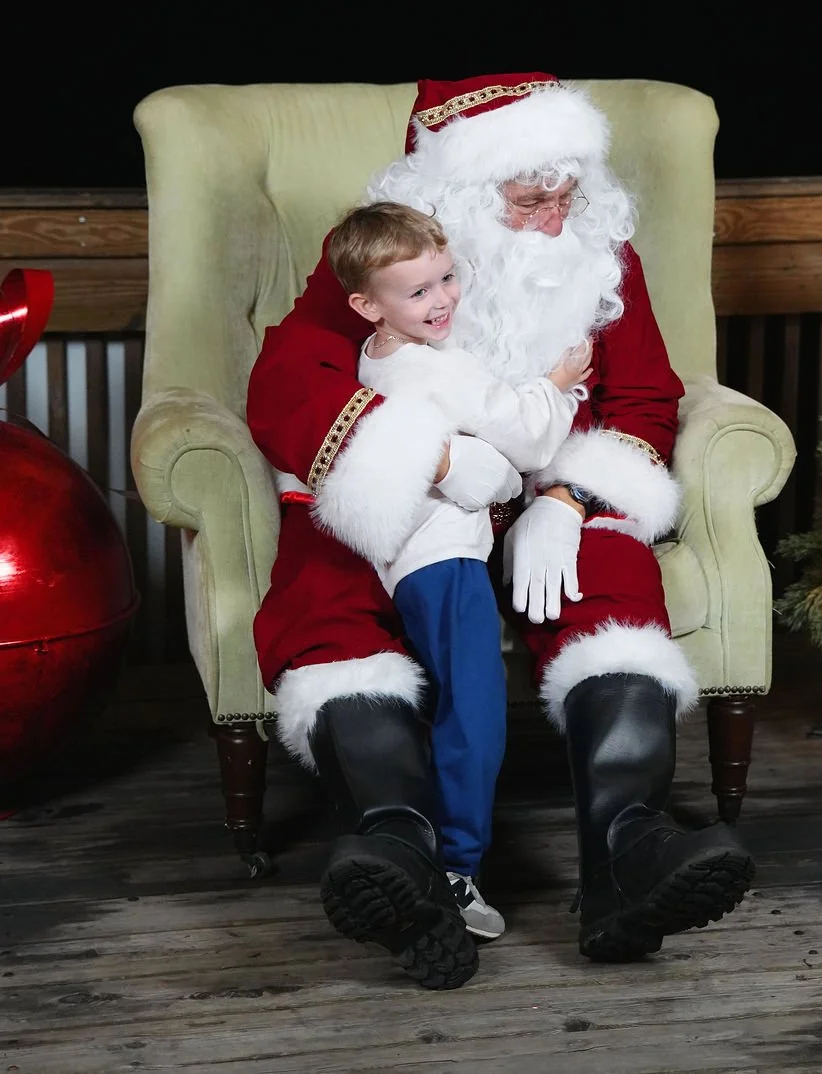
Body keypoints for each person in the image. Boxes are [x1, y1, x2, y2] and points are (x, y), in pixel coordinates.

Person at [247, 72, 755, 992]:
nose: (555, 217)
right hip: (429, 489)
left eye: (566, 193)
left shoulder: (602, 255)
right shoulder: (384, 254)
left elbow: (643, 394)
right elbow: (289, 375)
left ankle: (626, 853)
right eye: (528, 200)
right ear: (460, 198)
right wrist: (429, 461)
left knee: (610, 580)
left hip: (545, 482)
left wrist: (568, 502)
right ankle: (399, 847)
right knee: (332, 584)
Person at [325, 199, 592, 941]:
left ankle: (423, 852)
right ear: (363, 303)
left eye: (446, 278)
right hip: (440, 555)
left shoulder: (376, 352)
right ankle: (455, 867)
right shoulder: (438, 371)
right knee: (474, 706)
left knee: (451, 698)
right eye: (417, 292)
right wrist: (560, 382)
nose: (441, 300)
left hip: (409, 555)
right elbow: (531, 442)